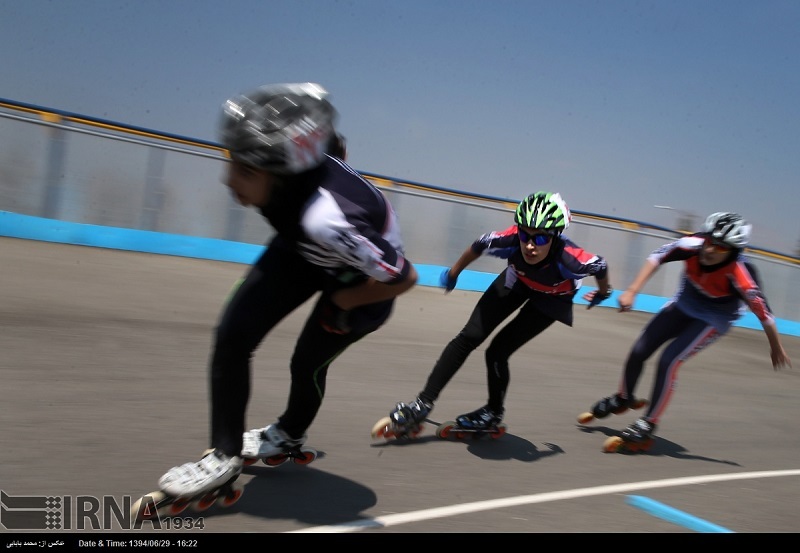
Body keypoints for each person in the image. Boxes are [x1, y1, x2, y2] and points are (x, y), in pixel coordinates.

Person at [158, 83, 418, 498]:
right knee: (231, 336)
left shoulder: (326, 219)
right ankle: (223, 458)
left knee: (307, 362)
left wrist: (342, 301)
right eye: (232, 162)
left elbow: (404, 277)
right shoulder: (290, 179)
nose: (229, 180)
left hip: (360, 282)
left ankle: (289, 433)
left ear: (284, 174)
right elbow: (324, 131)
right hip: (305, 250)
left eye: (246, 172)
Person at [382, 191, 612, 434]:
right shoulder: (511, 239)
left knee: (497, 352)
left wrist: (603, 292)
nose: (530, 245)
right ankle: (423, 403)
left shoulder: (572, 258)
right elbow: (478, 245)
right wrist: (454, 273)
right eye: (525, 234)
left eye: (541, 239)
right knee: (468, 337)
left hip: (552, 297)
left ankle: (493, 411)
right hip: (519, 280)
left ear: (555, 236)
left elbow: (601, 266)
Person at [582, 212, 792, 449]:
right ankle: (624, 397)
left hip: (715, 317)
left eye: (721, 248)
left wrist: (775, 347)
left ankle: (648, 424)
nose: (711, 250)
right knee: (639, 349)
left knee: (668, 361)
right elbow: (656, 257)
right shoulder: (691, 244)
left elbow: (765, 314)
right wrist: (632, 291)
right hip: (685, 302)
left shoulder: (741, 276)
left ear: (734, 252)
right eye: (710, 242)